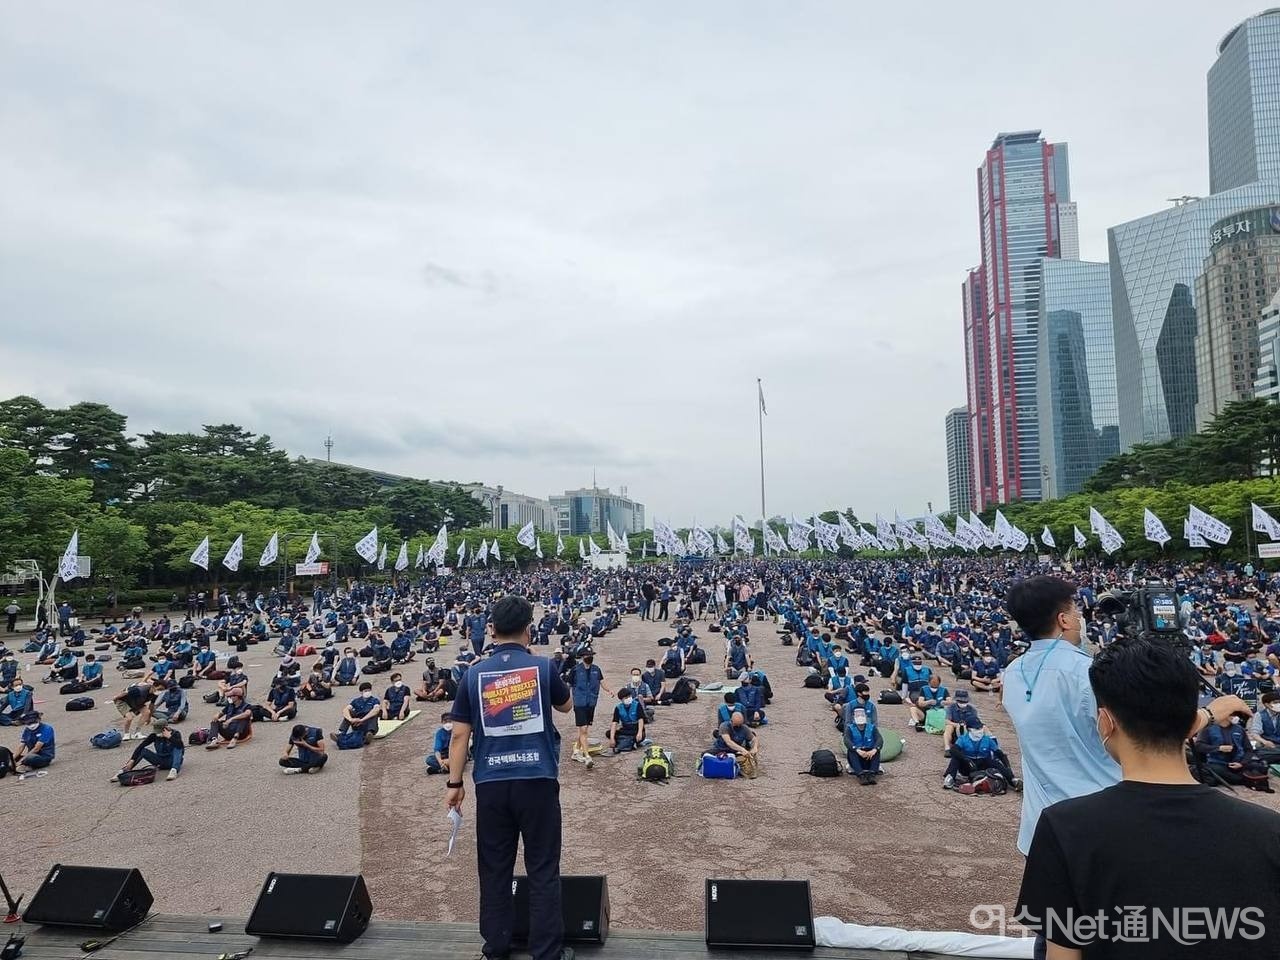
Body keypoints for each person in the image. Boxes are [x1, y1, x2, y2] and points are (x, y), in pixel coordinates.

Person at [1004, 577, 1251, 960]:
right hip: (1110, 823)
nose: (1082, 616)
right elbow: (1148, 728)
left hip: (1044, 825)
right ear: (1064, 619)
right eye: (1076, 609)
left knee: (1060, 933)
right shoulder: (1087, 672)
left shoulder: (1012, 674)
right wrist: (1208, 713)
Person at [443, 595, 574, 960]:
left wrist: (455, 784)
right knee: (543, 867)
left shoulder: (473, 674)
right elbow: (566, 706)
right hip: (538, 778)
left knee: (495, 868)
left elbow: (458, 735)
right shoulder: (543, 668)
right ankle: (547, 952)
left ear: (491, 629)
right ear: (529, 629)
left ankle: (496, 947)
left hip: (491, 783)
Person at [569, 649, 611, 769]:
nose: (590, 657)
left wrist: (609, 690)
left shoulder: (596, 669)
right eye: (587, 655)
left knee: (585, 729)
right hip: (580, 703)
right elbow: (568, 685)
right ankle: (587, 757)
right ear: (582, 657)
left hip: (591, 702)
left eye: (591, 655)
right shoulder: (575, 670)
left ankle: (576, 751)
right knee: (583, 730)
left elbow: (602, 681)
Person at [112, 722, 184, 781]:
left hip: (172, 760)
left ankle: (174, 770)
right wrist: (132, 760)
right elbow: (141, 746)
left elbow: (180, 746)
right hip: (160, 760)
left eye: (159, 732)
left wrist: (169, 737)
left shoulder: (175, 733)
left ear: (166, 728)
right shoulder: (154, 735)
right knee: (143, 750)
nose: (157, 734)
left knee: (177, 748)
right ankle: (124, 770)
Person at [711, 710, 759, 778]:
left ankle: (743, 768)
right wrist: (742, 749)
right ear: (731, 720)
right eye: (736, 725)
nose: (738, 726)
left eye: (740, 724)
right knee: (705, 754)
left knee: (748, 757)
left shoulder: (744, 728)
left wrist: (755, 747)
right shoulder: (724, 726)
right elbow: (729, 742)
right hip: (721, 749)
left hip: (735, 751)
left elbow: (754, 739)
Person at [843, 706, 881, 785]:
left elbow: (879, 739)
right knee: (851, 751)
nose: (860, 716)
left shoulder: (872, 727)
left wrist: (874, 750)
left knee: (877, 750)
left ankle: (872, 774)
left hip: (869, 755)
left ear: (866, 716)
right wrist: (857, 750)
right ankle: (861, 775)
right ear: (853, 716)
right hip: (857, 755)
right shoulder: (849, 728)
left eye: (862, 714)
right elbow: (847, 741)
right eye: (857, 714)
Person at [606, 688, 645, 754]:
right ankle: (627, 741)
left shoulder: (637, 705)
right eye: (626, 697)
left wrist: (639, 732)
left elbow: (640, 719)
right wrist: (612, 738)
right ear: (621, 699)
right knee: (608, 733)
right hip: (625, 729)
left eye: (629, 696)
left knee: (640, 736)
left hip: (635, 729)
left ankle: (625, 741)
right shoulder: (618, 708)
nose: (628, 698)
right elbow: (614, 723)